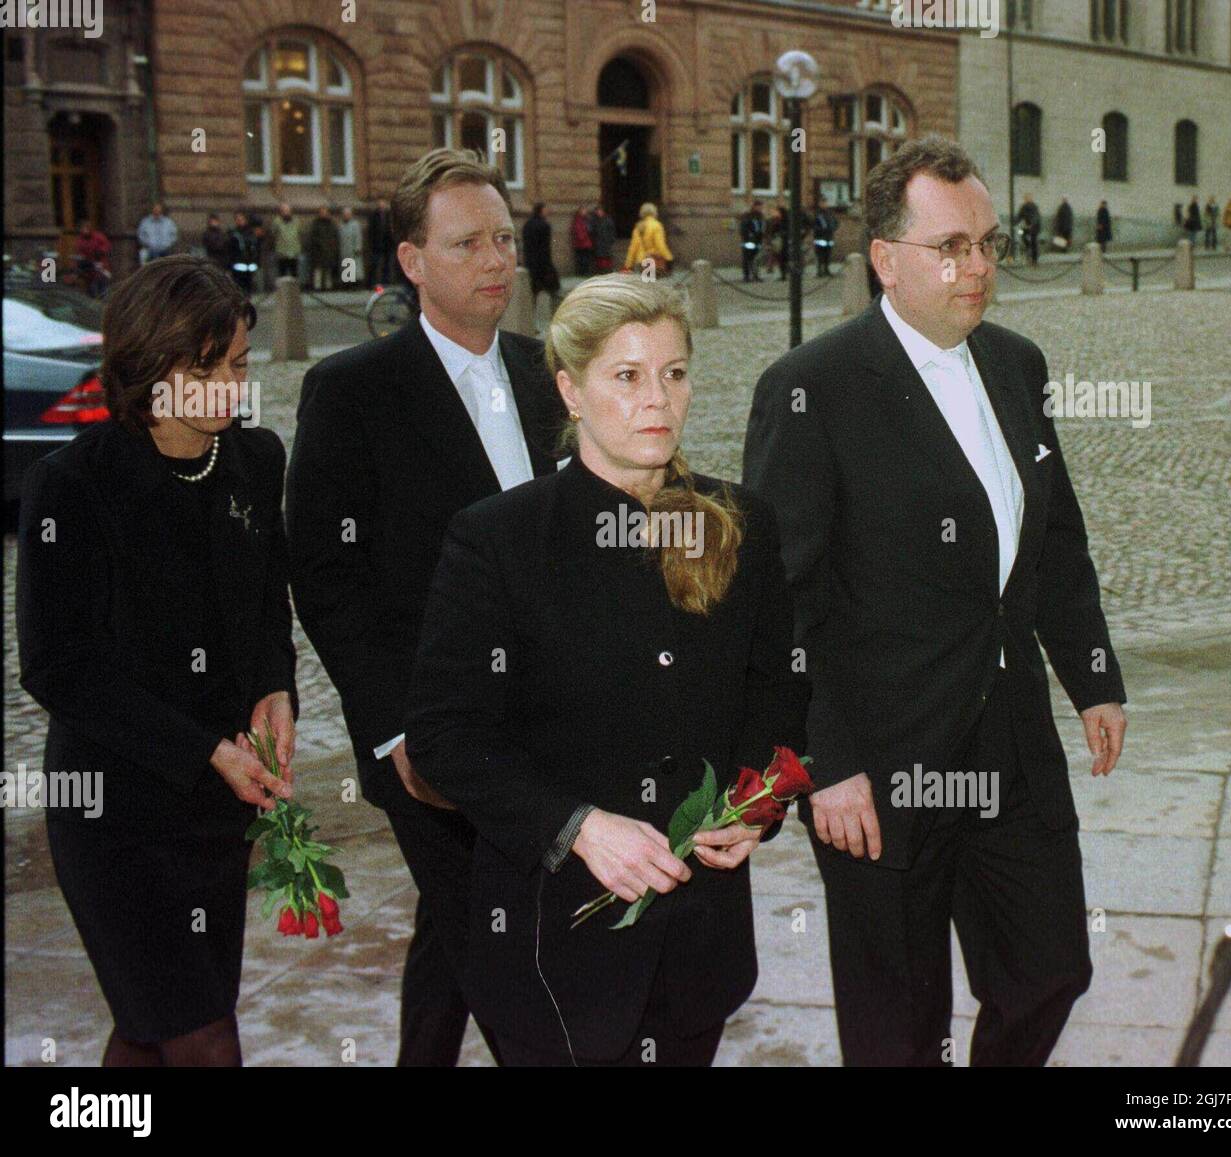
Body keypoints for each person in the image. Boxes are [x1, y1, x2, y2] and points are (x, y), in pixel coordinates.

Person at [744, 134, 1128, 1067]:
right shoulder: (811, 389)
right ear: (885, 259)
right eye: (951, 246)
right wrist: (822, 760)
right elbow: (780, 599)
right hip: (879, 763)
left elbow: (1056, 538)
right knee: (896, 1028)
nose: (978, 266)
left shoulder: (1016, 363)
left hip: (1010, 746)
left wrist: (1092, 677)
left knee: (1049, 969)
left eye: (990, 243)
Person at [404, 274, 809, 1066]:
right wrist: (578, 827)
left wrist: (754, 803)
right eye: (626, 376)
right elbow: (444, 738)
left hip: (698, 945)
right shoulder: (499, 540)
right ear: (571, 389)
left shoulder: (740, 523)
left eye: (674, 373)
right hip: (552, 951)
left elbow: (778, 687)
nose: (656, 398)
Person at [286, 147, 568, 1067]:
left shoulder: (545, 371)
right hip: (428, 732)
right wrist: (393, 732)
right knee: (503, 953)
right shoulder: (353, 391)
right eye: (467, 244)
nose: (497, 261)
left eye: (503, 238)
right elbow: (328, 579)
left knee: (458, 935)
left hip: (541, 716)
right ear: (411, 262)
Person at [17, 254, 297, 1066]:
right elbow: (56, 665)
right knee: (203, 1034)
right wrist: (202, 749)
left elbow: (266, 598)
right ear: (147, 368)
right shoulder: (72, 484)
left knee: (152, 1027)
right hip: (117, 815)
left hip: (217, 811)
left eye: (239, 364)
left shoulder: (255, 458)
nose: (231, 387)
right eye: (205, 368)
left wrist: (275, 687)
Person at [523, 202, 561, 321]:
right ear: (541, 210)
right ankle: (557, 319)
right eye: (546, 209)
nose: (548, 211)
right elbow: (545, 248)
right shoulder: (544, 225)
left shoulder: (527, 224)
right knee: (554, 290)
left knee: (533, 294)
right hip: (543, 264)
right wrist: (548, 266)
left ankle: (530, 321)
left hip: (531, 263)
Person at [623, 201, 673, 277]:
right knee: (654, 286)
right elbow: (660, 245)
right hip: (653, 262)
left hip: (640, 262)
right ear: (654, 212)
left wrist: (628, 264)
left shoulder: (638, 227)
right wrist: (669, 257)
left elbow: (633, 248)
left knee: (643, 286)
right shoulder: (657, 225)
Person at [73, 218, 111, 298]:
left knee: (103, 284)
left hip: (100, 264)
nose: (85, 230)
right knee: (92, 289)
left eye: (86, 228)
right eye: (83, 229)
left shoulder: (98, 237)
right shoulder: (80, 239)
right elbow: (79, 250)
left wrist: (99, 252)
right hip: (89, 268)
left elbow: (106, 247)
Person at [305, 205, 340, 292]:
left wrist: (334, 248)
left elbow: (335, 237)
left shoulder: (332, 224)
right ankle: (318, 287)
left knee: (328, 270)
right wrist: (318, 245)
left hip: (329, 251)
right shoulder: (315, 224)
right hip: (318, 251)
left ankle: (328, 286)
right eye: (322, 212)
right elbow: (312, 237)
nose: (324, 214)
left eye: (325, 212)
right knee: (318, 270)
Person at [226, 211, 260, 296]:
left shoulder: (250, 233)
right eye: (238, 219)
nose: (240, 221)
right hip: (237, 265)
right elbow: (230, 249)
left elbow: (255, 247)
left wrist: (256, 261)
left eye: (242, 219)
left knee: (249, 288)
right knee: (238, 288)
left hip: (249, 265)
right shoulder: (233, 233)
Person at [270, 203, 302, 281]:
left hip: (294, 252)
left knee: (294, 274)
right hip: (282, 252)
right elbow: (273, 233)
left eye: (287, 210)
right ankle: (283, 292)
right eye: (283, 210)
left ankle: (294, 291)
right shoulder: (276, 222)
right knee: (282, 274)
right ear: (280, 212)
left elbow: (300, 233)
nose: (286, 212)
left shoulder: (296, 221)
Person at [368, 197, 395, 284]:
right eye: (380, 202)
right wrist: (372, 243)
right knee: (375, 264)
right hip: (377, 244)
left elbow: (391, 229)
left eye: (383, 203)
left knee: (387, 265)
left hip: (387, 244)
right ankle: (374, 282)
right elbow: (371, 230)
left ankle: (385, 282)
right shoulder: (374, 215)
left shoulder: (389, 215)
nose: (382, 204)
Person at [338, 206, 364, 286]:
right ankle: (347, 283)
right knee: (346, 266)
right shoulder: (341, 225)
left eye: (348, 214)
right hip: (344, 249)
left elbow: (358, 237)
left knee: (354, 267)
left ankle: (355, 284)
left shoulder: (355, 225)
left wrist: (358, 247)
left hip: (353, 249)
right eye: (345, 214)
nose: (346, 216)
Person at [813, 197, 839, 276]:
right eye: (823, 203)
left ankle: (826, 269)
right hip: (819, 238)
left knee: (827, 255)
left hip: (828, 237)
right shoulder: (817, 214)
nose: (824, 205)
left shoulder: (829, 214)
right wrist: (820, 230)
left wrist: (833, 228)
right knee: (820, 255)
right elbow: (814, 225)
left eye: (825, 203)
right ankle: (819, 270)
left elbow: (835, 222)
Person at [740, 201, 765, 282]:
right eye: (759, 206)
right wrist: (748, 237)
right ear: (754, 206)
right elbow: (744, 228)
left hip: (758, 240)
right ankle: (747, 276)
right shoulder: (748, 216)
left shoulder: (760, 216)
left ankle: (755, 275)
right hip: (749, 240)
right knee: (747, 257)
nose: (760, 208)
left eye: (761, 207)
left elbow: (762, 228)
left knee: (756, 258)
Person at [1014, 193, 1041, 265]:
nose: (1026, 200)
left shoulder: (1034, 206)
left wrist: (1032, 224)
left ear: (1031, 199)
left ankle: (1034, 260)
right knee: (1022, 236)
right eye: (1025, 198)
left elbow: (1036, 217)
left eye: (1028, 198)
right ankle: (1027, 248)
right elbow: (1020, 215)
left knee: (1033, 242)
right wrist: (1015, 222)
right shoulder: (1024, 206)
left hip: (1034, 227)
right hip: (1026, 227)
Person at [570, 203, 595, 277]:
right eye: (583, 210)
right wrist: (583, 237)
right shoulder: (578, 220)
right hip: (582, 243)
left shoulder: (586, 219)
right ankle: (582, 272)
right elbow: (578, 231)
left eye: (585, 210)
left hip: (586, 242)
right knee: (582, 259)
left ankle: (584, 272)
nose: (585, 212)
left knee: (585, 258)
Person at [591, 204, 617, 273]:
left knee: (607, 256)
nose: (599, 212)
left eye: (600, 211)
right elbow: (592, 231)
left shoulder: (608, 219)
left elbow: (612, 230)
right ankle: (601, 270)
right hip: (598, 242)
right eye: (597, 211)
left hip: (606, 242)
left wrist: (611, 240)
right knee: (600, 257)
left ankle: (608, 269)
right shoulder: (594, 220)